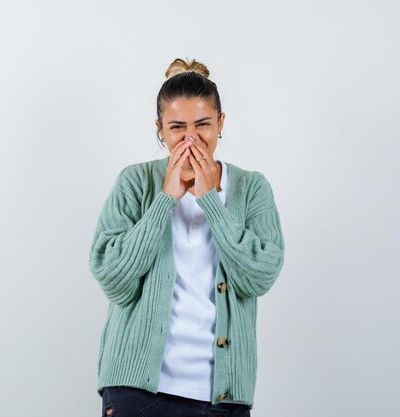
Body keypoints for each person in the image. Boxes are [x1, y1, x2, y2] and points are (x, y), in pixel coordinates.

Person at [88, 57, 285, 417]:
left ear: (221, 123)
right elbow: (113, 278)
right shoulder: (136, 181)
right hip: (137, 392)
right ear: (160, 128)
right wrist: (165, 199)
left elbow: (259, 276)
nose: (190, 138)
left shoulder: (252, 188)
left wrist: (211, 200)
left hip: (222, 398)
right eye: (177, 127)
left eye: (203, 124)